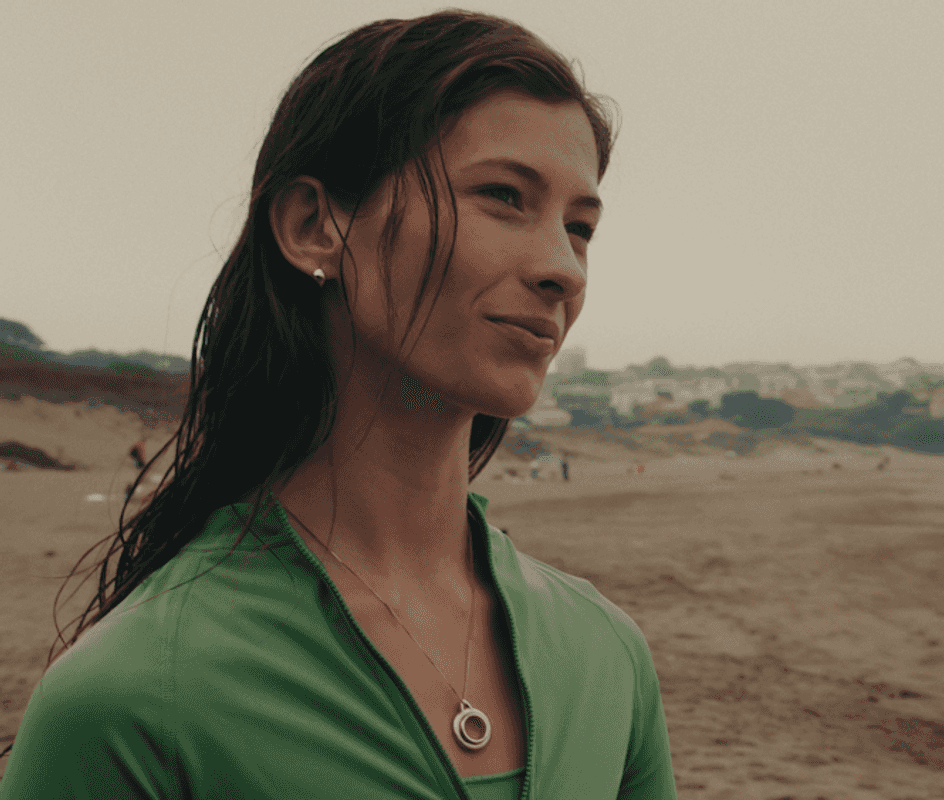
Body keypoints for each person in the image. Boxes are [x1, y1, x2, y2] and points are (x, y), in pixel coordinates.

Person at [0, 13, 676, 799]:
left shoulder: (606, 655)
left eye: (581, 227)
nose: (564, 267)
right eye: (502, 196)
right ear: (314, 226)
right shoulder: (135, 701)